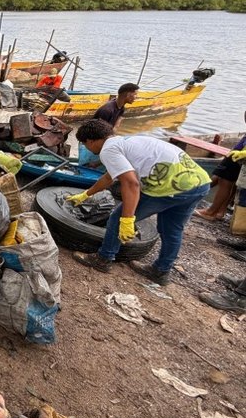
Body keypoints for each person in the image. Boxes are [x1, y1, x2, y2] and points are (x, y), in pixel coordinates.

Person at [69, 119, 211, 286]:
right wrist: (86, 194)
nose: (88, 149)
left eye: (86, 145)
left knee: (116, 218)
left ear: (91, 141)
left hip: (170, 186)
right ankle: (161, 271)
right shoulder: (126, 141)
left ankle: (103, 259)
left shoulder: (108, 150)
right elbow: (109, 177)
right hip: (199, 183)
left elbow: (131, 183)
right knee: (172, 229)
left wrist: (127, 219)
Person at [195, 111, 246, 221]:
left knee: (225, 182)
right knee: (228, 183)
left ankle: (210, 212)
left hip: (237, 157)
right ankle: (219, 211)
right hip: (239, 155)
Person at [79, 82, 139, 169]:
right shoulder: (107, 110)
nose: (136, 97)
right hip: (91, 143)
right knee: (87, 168)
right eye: (135, 95)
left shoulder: (121, 107)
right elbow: (97, 133)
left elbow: (118, 121)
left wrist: (114, 135)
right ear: (128, 95)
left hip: (103, 139)